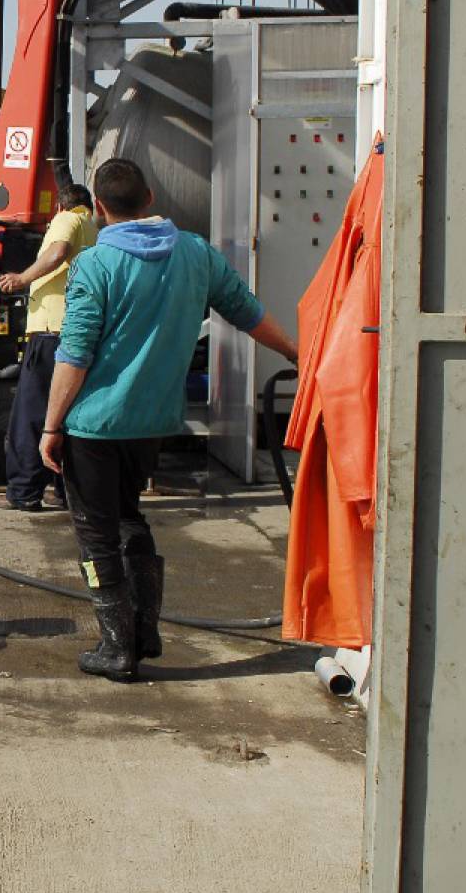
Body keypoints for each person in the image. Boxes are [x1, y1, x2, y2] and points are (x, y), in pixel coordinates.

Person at [41, 158, 300, 681]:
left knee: (95, 535)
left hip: (93, 424)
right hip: (152, 420)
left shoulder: (94, 264)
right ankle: (144, 629)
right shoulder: (196, 253)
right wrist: (299, 353)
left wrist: (50, 426)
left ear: (98, 206)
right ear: (151, 198)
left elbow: (75, 354)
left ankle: (117, 647)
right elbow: (248, 313)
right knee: (130, 516)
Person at [0, 181, 97, 512]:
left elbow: (57, 251)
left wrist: (21, 279)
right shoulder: (94, 230)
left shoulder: (69, 219)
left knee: (31, 414)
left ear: (59, 207)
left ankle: (23, 492)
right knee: (67, 417)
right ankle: (63, 491)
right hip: (76, 333)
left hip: (51, 332)